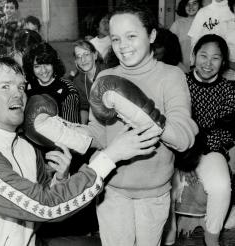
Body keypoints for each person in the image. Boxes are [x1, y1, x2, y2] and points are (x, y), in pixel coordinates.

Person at [0, 55, 161, 246]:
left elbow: (40, 198)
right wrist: (111, 155)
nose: (18, 95)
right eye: (5, 87)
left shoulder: (24, 147)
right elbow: (46, 207)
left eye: (21, 87)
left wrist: (60, 178)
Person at [84, 3, 198, 246]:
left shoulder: (171, 76)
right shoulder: (105, 78)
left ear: (152, 35)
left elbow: (183, 137)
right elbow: (97, 134)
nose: (122, 46)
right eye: (115, 39)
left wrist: (140, 114)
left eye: (131, 36)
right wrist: (66, 132)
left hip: (153, 193)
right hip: (111, 189)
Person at [168, 34, 235, 246]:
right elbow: (172, 122)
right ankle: (167, 235)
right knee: (161, 180)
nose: (208, 63)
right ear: (194, 56)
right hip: (175, 148)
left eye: (215, 58)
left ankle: (212, 236)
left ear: (223, 62)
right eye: (203, 55)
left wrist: (196, 147)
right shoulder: (179, 82)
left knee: (221, 186)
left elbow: (226, 132)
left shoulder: (228, 89)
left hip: (208, 150)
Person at [23, 42, 80, 123]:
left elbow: (71, 128)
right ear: (31, 68)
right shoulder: (27, 87)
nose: (43, 70)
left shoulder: (68, 90)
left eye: (46, 64)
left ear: (54, 64)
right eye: (37, 66)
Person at [188, 0, 235, 79]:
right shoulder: (203, 12)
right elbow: (194, 42)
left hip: (231, 71)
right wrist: (193, 65)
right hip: (207, 68)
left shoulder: (233, 10)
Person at [72, 40, 105, 124]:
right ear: (76, 61)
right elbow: (84, 107)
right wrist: (82, 126)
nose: (83, 60)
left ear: (95, 55)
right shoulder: (78, 81)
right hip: (95, 122)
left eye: (86, 54)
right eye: (78, 56)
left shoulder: (107, 73)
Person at [170, 0, 202, 72]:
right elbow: (170, 48)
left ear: (199, 5)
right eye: (187, 4)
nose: (191, 7)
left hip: (201, 69)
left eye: (194, 3)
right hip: (181, 68)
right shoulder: (177, 24)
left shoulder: (205, 23)